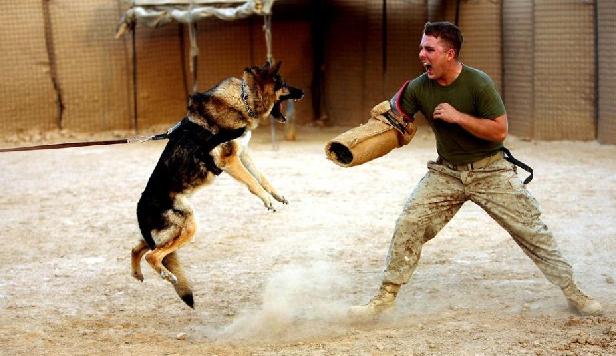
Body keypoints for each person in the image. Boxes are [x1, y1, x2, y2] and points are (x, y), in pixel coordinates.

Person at [349, 21, 602, 317]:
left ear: (450, 54)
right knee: (410, 222)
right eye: (421, 47)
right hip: (446, 173)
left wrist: (459, 117)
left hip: (490, 171)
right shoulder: (418, 87)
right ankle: (384, 298)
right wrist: (357, 144)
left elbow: (499, 131)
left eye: (429, 49)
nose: (422, 54)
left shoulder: (478, 83)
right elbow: (391, 119)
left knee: (532, 230)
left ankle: (573, 292)